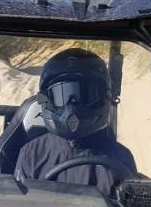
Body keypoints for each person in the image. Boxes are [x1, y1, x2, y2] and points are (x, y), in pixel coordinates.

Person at [14, 49, 141, 195]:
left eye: (85, 94)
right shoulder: (31, 154)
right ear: (46, 99)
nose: (72, 107)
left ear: (103, 97)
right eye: (62, 95)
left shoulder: (120, 157)